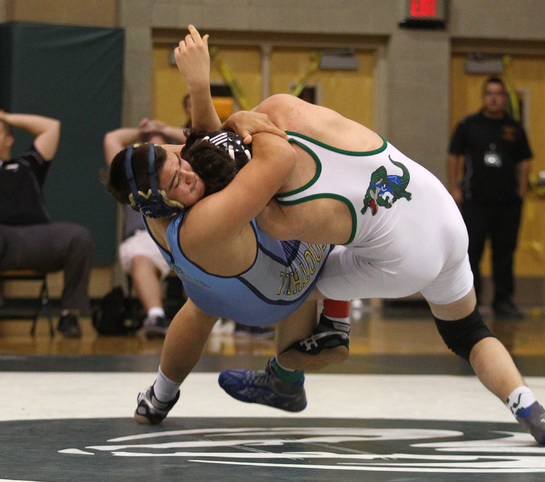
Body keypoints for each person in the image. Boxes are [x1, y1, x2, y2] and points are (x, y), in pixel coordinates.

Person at [165, 25, 545, 446]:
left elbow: (231, 195)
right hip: (443, 215)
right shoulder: (285, 108)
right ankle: (531, 409)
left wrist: (200, 95)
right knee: (468, 331)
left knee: (296, 282)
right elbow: (225, 145)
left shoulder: (283, 214)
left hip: (407, 263)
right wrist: (229, 110)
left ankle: (294, 368)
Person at [105, 110, 351, 424]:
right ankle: (330, 329)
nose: (189, 173)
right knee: (322, 181)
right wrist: (246, 121)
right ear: (158, 199)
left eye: (181, 164)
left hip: (215, 296)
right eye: (178, 180)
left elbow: (200, 145)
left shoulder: (154, 214)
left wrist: (200, 91)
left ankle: (159, 397)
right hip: (281, 293)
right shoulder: (208, 219)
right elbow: (280, 156)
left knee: (197, 307)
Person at [0, 110, 93, 338]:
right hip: (3, 238)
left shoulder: (27, 165)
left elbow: (51, 127)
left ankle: (69, 314)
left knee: (78, 237)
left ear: (9, 139)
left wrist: (6, 118)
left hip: (38, 237)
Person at [447, 77, 532, 318]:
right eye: (489, 94)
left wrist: (522, 190)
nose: (494, 98)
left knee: (504, 254)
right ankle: (470, 301)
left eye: (498, 94)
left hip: (507, 203)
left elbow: (525, 160)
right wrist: (455, 188)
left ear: (504, 98)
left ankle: (503, 300)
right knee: (472, 252)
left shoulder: (514, 128)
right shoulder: (469, 125)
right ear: (483, 97)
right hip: (476, 201)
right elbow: (453, 156)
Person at [104, 118, 188, 338]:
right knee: (140, 256)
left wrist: (165, 129)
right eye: (147, 150)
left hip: (181, 229)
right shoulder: (132, 179)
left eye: (159, 150)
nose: (153, 153)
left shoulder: (182, 171)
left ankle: (212, 315)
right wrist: (143, 131)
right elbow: (112, 139)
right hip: (144, 237)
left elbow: (203, 140)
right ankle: (156, 316)